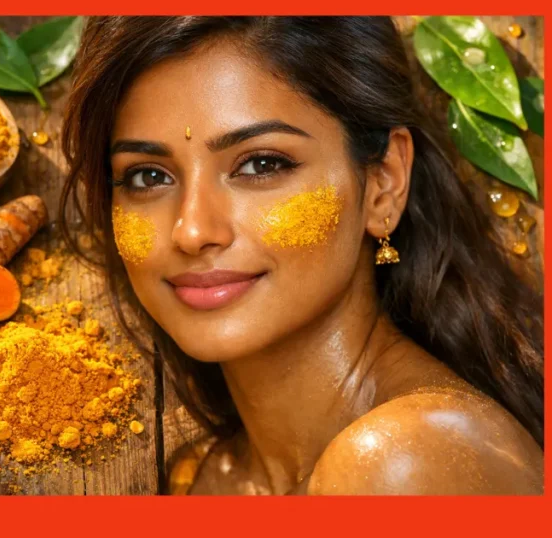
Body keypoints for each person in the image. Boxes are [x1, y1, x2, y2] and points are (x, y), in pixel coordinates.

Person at [59, 16, 544, 495]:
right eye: (148, 176)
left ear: (383, 183)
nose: (192, 231)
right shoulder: (201, 477)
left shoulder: (405, 460)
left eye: (261, 165)